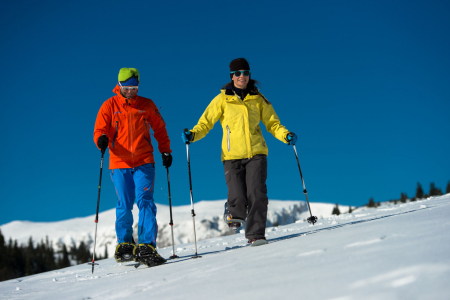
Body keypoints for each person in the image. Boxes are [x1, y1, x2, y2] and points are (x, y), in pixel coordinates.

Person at [182, 58, 297, 246]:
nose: (241, 76)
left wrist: (286, 135)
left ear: (249, 75)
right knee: (238, 194)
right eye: (237, 73)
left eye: (245, 73)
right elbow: (206, 123)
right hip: (231, 156)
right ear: (231, 76)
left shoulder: (258, 99)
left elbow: (273, 123)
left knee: (257, 192)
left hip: (256, 154)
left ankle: (256, 235)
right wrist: (193, 135)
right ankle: (234, 210)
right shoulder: (222, 99)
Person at [94, 68, 172, 266]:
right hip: (119, 163)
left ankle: (147, 244)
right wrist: (101, 139)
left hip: (144, 161)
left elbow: (160, 129)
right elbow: (100, 129)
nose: (130, 91)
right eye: (126, 88)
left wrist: (165, 150)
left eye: (134, 87)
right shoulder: (109, 106)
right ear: (119, 85)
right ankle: (125, 243)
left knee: (145, 199)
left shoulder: (146, 105)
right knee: (124, 203)